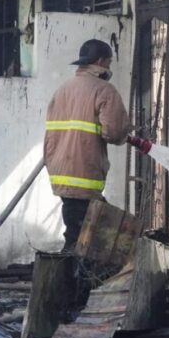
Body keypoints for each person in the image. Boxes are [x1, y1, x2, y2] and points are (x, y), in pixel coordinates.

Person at [44, 39, 132, 252]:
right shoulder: (104, 91)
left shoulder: (62, 89)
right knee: (85, 236)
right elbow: (114, 132)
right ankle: (74, 270)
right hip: (84, 171)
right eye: (109, 62)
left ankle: (72, 265)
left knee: (76, 227)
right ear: (101, 61)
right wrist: (126, 133)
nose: (109, 67)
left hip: (59, 171)